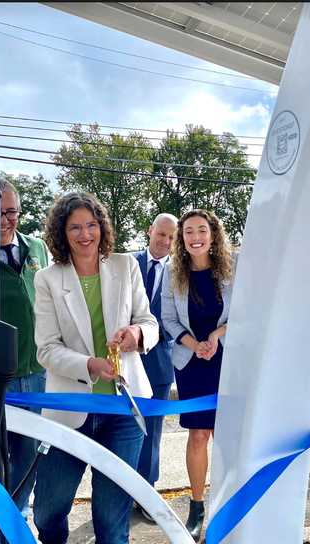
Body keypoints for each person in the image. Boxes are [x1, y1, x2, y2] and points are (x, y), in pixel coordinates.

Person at [32, 192, 159, 544]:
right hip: (70, 410)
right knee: (48, 510)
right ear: (62, 233)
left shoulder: (125, 266)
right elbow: (47, 349)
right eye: (75, 227)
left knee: (111, 520)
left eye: (91, 225)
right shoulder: (47, 279)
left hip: (123, 409)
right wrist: (89, 364)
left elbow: (149, 322)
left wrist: (137, 333)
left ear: (102, 227)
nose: (85, 234)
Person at [161, 209, 235, 542]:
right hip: (191, 363)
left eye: (201, 230)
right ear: (181, 238)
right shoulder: (172, 272)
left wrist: (216, 337)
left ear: (213, 233)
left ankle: (227, 501)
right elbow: (168, 319)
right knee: (199, 435)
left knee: (227, 435)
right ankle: (197, 505)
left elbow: (248, 312)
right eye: (188, 231)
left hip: (227, 361)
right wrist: (195, 344)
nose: (195, 237)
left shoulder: (233, 269)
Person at [0, 178, 51, 519]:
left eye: (12, 212)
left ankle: (17, 518)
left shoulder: (36, 248)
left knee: (30, 453)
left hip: (36, 370)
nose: (6, 220)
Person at [132, 213, 178, 522]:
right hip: (125, 362)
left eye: (172, 238)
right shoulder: (127, 263)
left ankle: (146, 494)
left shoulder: (179, 272)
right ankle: (120, 488)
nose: (165, 242)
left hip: (160, 365)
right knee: (121, 428)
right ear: (150, 231)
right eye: (161, 234)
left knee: (152, 434)